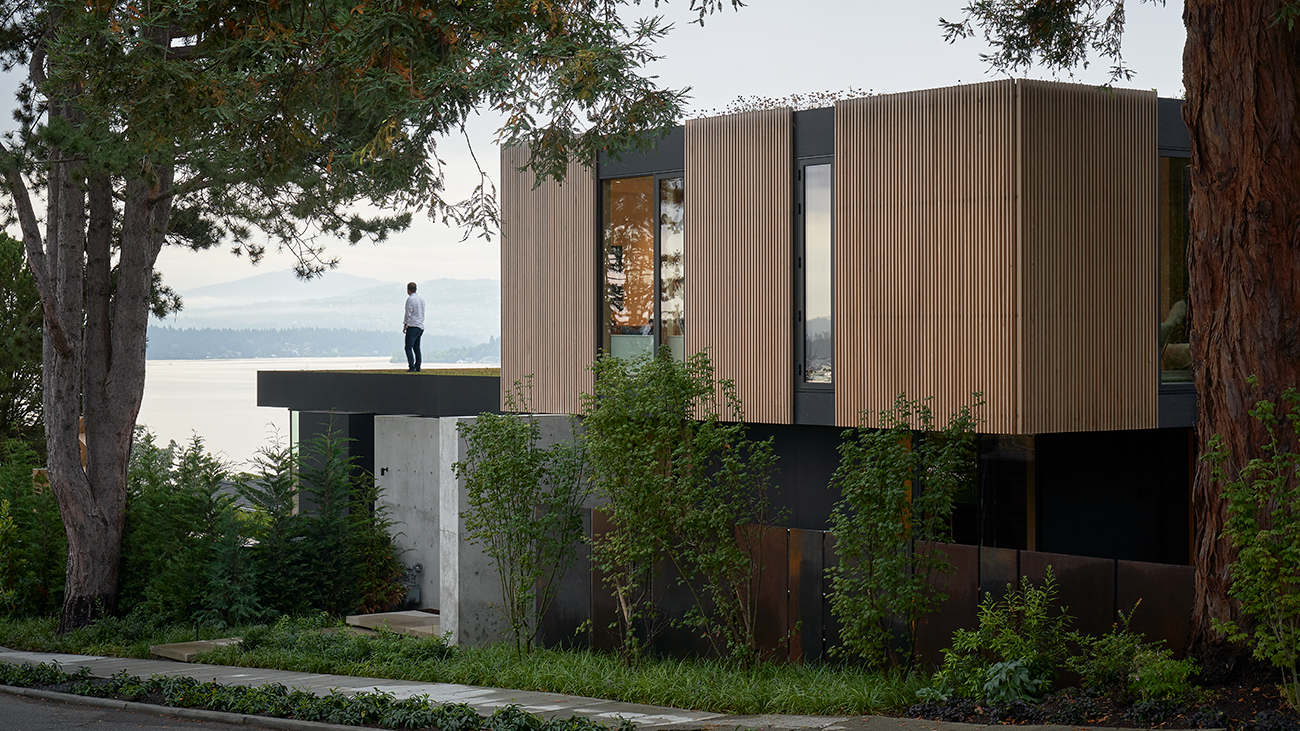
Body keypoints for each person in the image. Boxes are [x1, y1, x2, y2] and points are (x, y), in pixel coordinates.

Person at [403, 282, 426, 372]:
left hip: (412, 325)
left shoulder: (410, 300)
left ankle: (411, 366)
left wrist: (405, 325)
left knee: (408, 347)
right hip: (420, 326)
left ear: (408, 290)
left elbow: (408, 314)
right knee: (417, 347)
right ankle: (418, 366)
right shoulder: (421, 300)